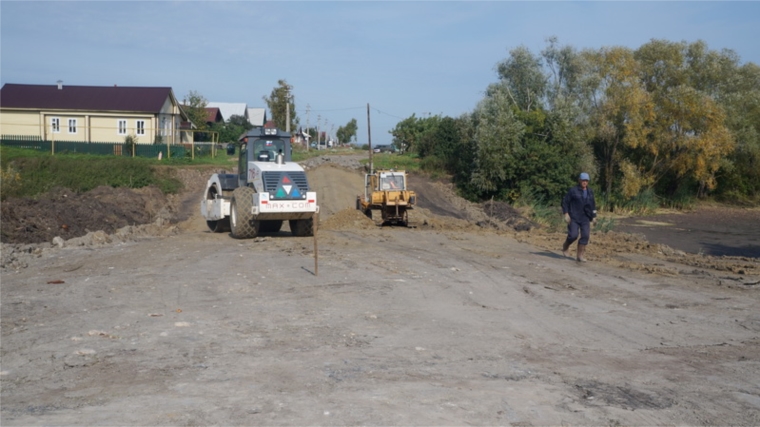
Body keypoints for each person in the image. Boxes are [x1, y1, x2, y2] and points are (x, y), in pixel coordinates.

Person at [561, 172, 597, 262]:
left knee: (585, 236)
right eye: (583, 180)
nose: (584, 182)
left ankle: (580, 256)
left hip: (585, 217)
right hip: (574, 217)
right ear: (579, 180)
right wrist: (566, 214)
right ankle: (565, 246)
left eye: (586, 180)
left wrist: (594, 216)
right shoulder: (573, 191)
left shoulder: (590, 192)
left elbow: (593, 205)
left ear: (588, 181)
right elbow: (565, 202)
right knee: (573, 235)